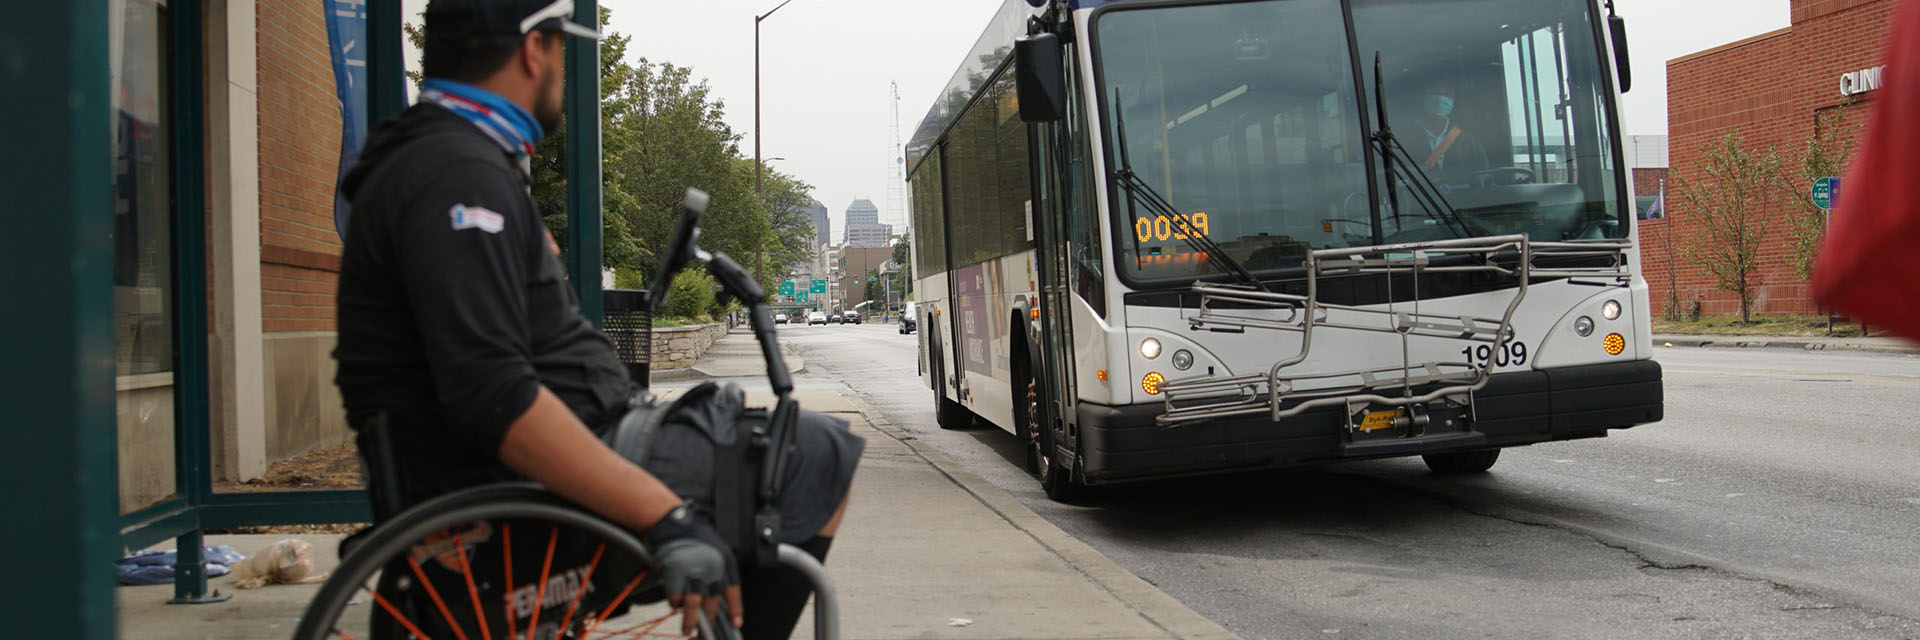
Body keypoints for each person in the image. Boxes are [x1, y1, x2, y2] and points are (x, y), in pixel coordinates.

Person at [331, 1, 861, 637]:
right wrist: (663, 514)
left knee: (768, 443)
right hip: (509, 487)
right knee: (810, 455)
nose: (561, 69)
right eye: (560, 50)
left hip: (543, 449)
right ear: (534, 50)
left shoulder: (445, 161)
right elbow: (488, 392)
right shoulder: (457, 174)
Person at [1409, 82, 1490, 185]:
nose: (1440, 99)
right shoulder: (1405, 137)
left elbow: (1485, 176)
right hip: (1420, 198)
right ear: (1422, 97)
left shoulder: (1467, 139)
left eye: (1446, 95)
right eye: (1436, 92)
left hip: (1463, 199)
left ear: (1453, 102)